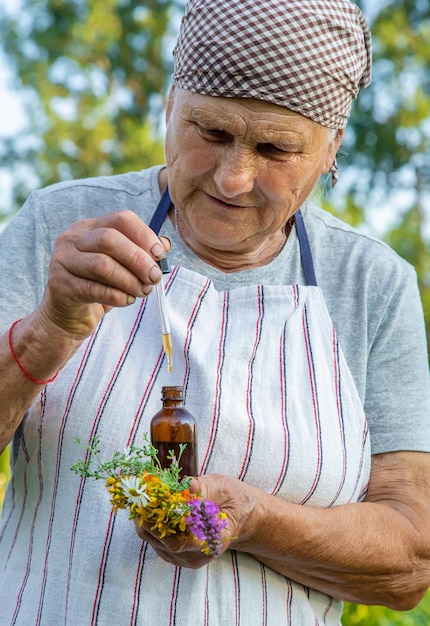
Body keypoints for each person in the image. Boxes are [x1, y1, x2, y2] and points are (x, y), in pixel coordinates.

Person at [1, 0, 430, 623]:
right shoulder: (58, 225)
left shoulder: (371, 283)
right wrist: (48, 329)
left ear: (331, 148)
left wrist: (254, 521)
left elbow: (409, 565)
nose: (233, 177)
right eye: (212, 132)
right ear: (171, 105)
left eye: (276, 149)